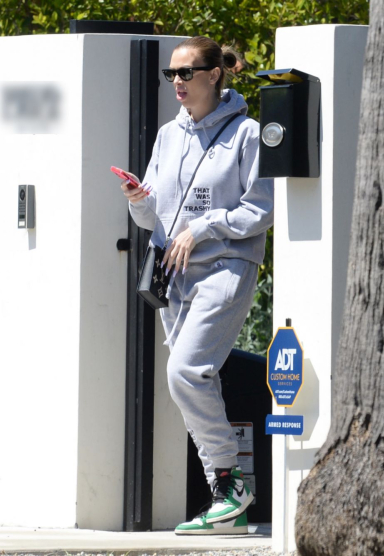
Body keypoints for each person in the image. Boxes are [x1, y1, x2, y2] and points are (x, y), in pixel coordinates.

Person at [119, 36, 274, 535]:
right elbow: (152, 214)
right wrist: (137, 198)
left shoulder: (248, 134)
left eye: (186, 73)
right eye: (171, 75)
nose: (177, 83)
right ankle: (226, 493)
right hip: (175, 272)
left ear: (214, 75)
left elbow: (261, 208)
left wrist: (203, 227)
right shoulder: (169, 135)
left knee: (185, 372)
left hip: (225, 266)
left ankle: (232, 484)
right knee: (189, 380)